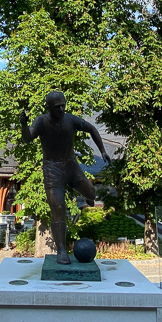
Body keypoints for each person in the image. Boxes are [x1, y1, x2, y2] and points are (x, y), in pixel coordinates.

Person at [20, 91, 111, 264]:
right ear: (48, 107)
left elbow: (91, 128)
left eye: (63, 105)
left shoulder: (70, 119)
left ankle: (87, 196)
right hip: (52, 169)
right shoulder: (41, 121)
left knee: (92, 193)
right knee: (58, 207)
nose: (61, 109)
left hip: (71, 166)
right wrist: (24, 125)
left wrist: (103, 151)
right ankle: (61, 250)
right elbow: (28, 138)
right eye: (57, 107)